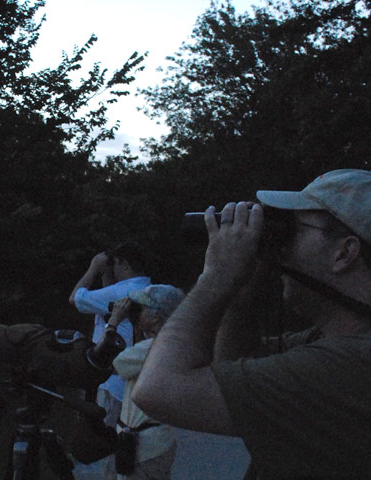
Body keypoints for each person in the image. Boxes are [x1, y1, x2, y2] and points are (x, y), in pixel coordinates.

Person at [132, 169, 371, 479]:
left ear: (344, 253)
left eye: (294, 229)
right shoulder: (326, 341)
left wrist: (215, 278)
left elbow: (157, 390)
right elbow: (231, 367)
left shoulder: (349, 365)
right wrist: (239, 297)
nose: (277, 244)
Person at [104, 284, 184, 480]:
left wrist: (113, 322)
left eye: (141, 308)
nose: (135, 312)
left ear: (156, 316)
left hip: (143, 448)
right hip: (157, 442)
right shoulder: (173, 342)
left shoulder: (154, 347)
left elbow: (107, 363)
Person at [69, 241, 152, 427]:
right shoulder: (148, 289)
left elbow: (75, 299)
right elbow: (106, 301)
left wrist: (94, 267)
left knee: (98, 438)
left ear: (124, 265)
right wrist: (106, 272)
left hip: (111, 383)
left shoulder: (121, 291)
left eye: (114, 265)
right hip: (134, 380)